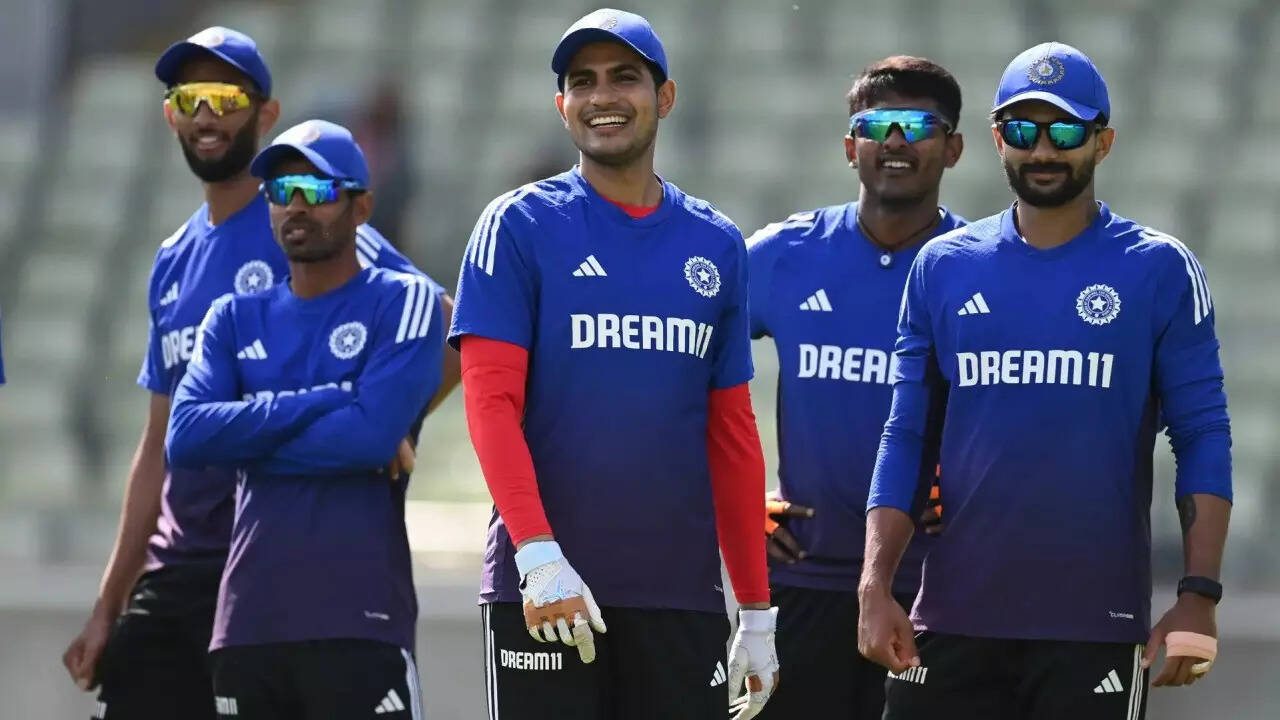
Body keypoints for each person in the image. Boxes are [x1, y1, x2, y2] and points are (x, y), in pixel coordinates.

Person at [60, 27, 457, 720]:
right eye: (189, 98)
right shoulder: (173, 258)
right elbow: (160, 441)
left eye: (225, 97)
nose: (206, 114)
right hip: (184, 567)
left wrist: (392, 416)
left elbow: (446, 327)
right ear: (170, 115)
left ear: (265, 113)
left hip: (274, 560)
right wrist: (108, 601)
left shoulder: (311, 217)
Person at [858, 42, 1231, 720]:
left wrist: (1199, 594)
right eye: (1024, 130)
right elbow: (907, 434)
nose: (1042, 150)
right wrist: (875, 585)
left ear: (1103, 141)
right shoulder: (943, 266)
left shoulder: (1159, 268)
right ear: (997, 137)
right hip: (952, 620)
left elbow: (1202, 434)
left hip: (1092, 630)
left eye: (1065, 132)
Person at [450, 9, 779, 720]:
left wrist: (756, 609)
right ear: (561, 104)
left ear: (665, 97)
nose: (602, 96)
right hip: (546, 592)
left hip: (679, 598)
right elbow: (490, 404)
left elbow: (731, 434)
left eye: (624, 78)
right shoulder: (517, 225)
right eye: (582, 81)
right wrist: (538, 556)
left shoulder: (716, 243)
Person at [165, 120, 446, 719]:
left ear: (361, 206)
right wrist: (324, 400)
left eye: (317, 190)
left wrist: (244, 434)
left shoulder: (403, 299)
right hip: (247, 626)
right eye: (280, 190)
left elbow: (369, 438)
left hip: (358, 621)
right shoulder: (232, 316)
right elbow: (185, 438)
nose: (295, 205)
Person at [746, 56, 965, 720]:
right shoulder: (784, 254)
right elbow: (670, 367)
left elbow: (1036, 411)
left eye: (918, 125)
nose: (896, 140)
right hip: (802, 583)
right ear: (850, 147)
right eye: (877, 125)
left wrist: (973, 490)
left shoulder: (980, 267)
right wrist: (730, 503)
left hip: (935, 591)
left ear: (953, 148)